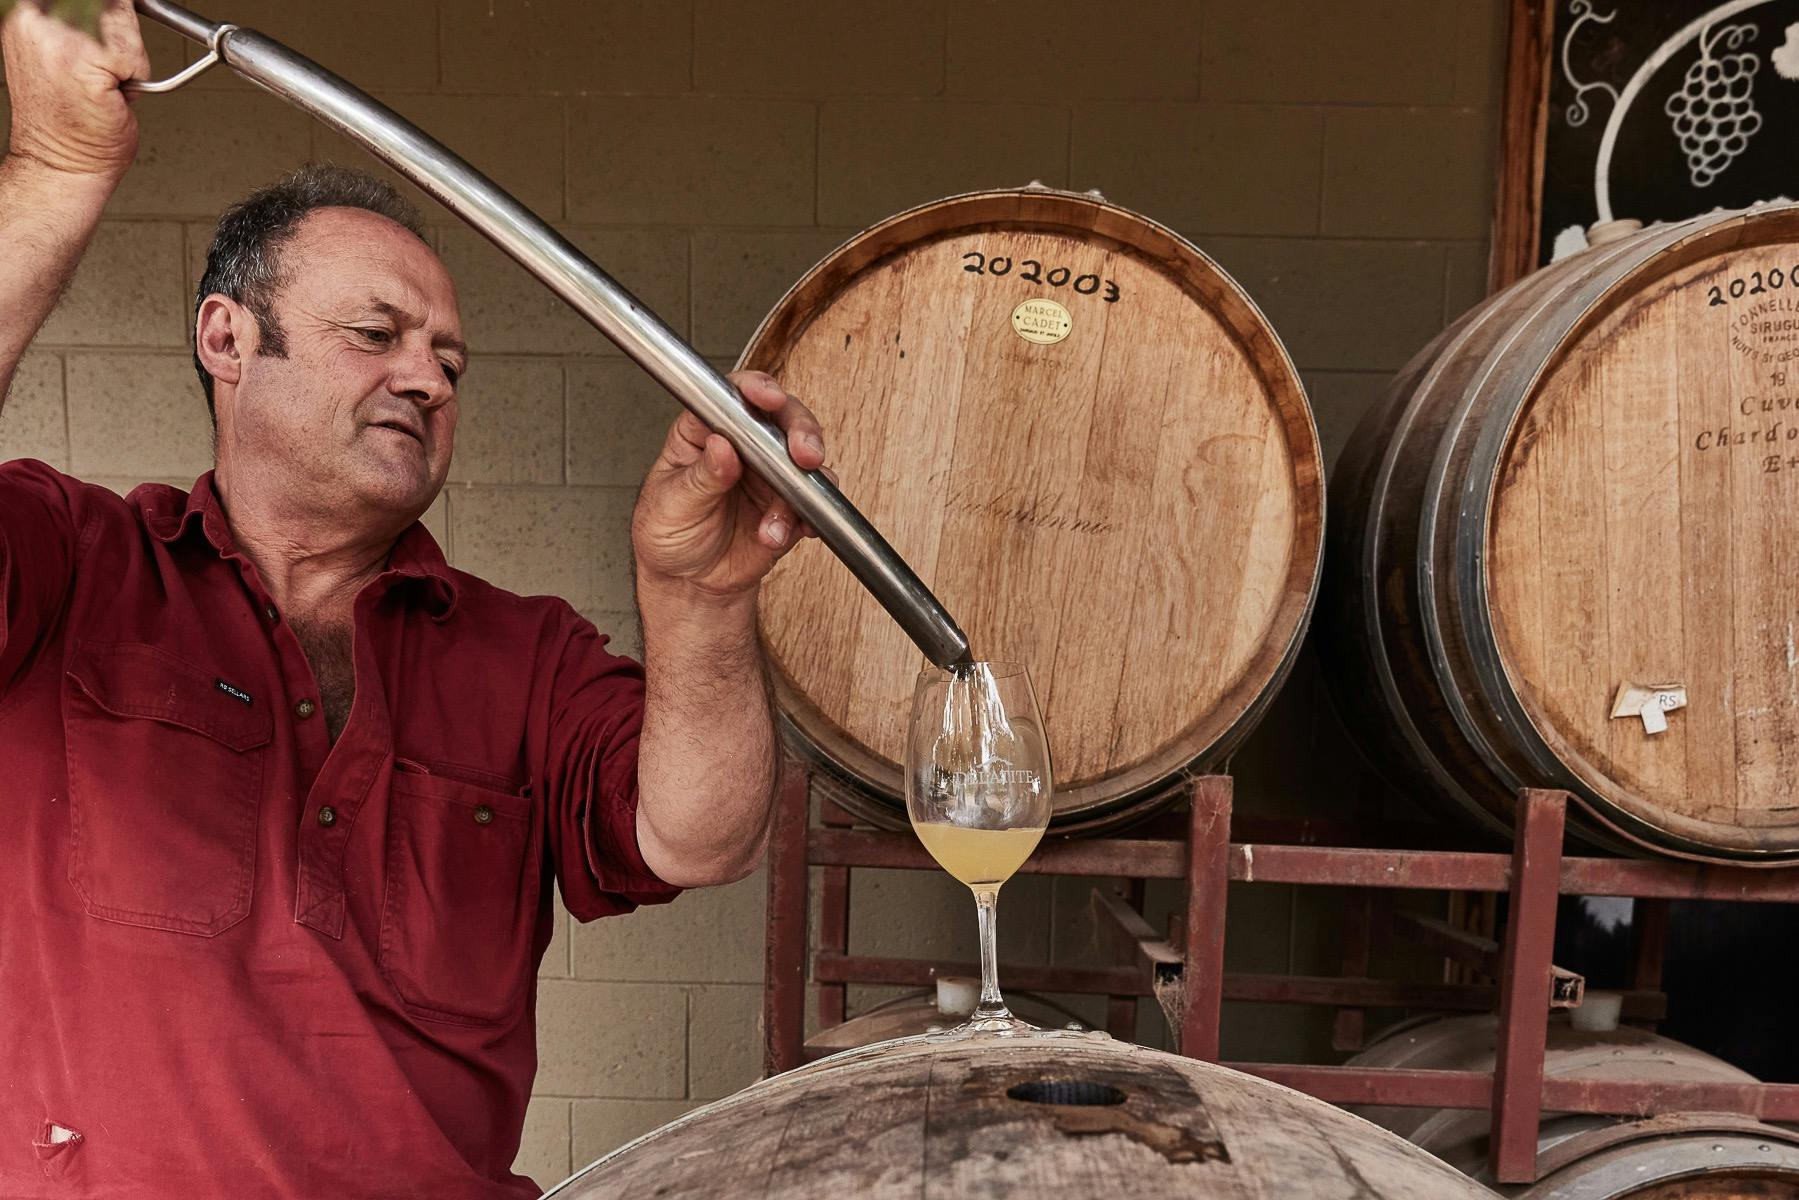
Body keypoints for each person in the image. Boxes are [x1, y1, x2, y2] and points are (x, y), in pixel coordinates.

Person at [0, 3, 830, 1195]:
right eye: (375, 334)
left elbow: (700, 838)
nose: (425, 379)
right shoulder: (72, 566)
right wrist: (55, 174)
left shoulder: (523, 653)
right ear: (228, 340)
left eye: (447, 360)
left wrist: (696, 596)